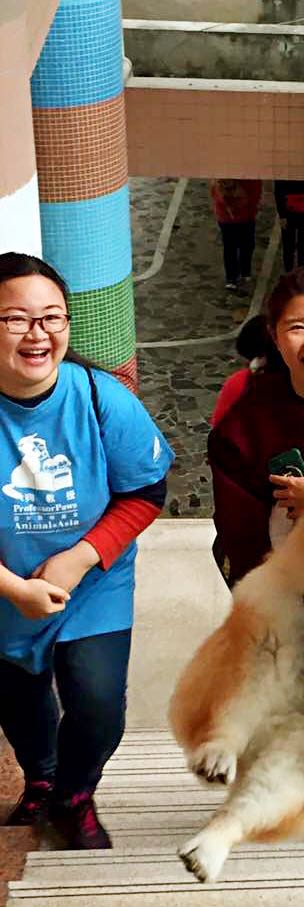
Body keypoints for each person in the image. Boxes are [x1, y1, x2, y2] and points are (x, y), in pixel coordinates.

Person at [0, 252, 174, 848]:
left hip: (92, 586)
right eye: (17, 319)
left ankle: (75, 792)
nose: (38, 333)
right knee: (20, 698)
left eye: (53, 318)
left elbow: (147, 491)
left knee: (99, 706)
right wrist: (14, 588)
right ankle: (42, 781)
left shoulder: (103, 398)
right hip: (5, 588)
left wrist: (80, 556)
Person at [207, 266, 304, 590]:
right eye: (297, 328)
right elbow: (241, 538)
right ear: (274, 335)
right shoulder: (243, 428)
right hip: (286, 595)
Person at [209, 179, 262, 291]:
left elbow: (254, 196)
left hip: (245, 216)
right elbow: (216, 194)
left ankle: (244, 271)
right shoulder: (219, 181)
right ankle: (231, 277)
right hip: (227, 218)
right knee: (230, 247)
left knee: (246, 245)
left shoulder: (250, 180)